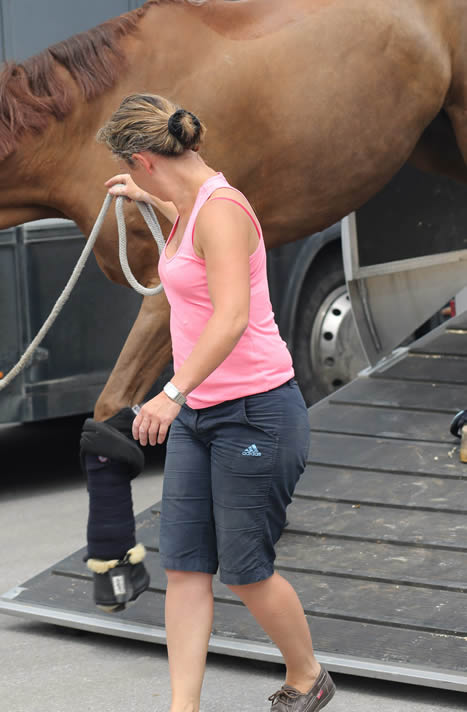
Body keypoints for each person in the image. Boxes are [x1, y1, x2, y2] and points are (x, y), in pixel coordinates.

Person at [96, 93, 335, 712]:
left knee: (246, 569)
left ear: (145, 157)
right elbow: (184, 211)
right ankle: (183, 708)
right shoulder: (187, 203)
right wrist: (148, 201)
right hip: (202, 415)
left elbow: (230, 319)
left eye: (136, 169)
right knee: (185, 567)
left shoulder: (222, 211)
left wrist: (170, 394)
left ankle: (308, 675)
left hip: (255, 412)